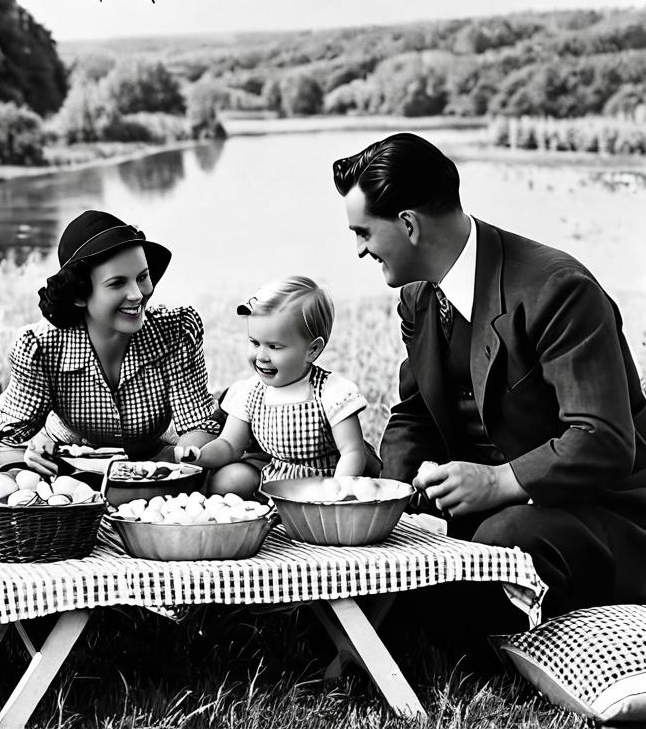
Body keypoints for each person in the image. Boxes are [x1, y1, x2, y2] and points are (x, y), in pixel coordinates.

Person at [332, 132, 646, 628]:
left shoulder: (558, 289)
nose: (358, 250)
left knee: (505, 538)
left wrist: (499, 480)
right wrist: (382, 506)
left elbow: (603, 439)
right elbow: (415, 413)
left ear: (409, 225)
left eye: (364, 232)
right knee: (388, 547)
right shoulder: (417, 293)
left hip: (594, 511)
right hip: (482, 510)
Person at [0, 210, 222, 476]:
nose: (137, 294)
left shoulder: (175, 333)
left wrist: (184, 461)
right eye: (117, 283)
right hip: (69, 462)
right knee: (6, 476)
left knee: (223, 476)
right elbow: (9, 439)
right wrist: (33, 449)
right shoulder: (41, 347)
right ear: (80, 294)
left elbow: (200, 425)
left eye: (142, 277)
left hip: (155, 459)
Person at [174, 276, 371, 497]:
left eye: (274, 347)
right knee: (226, 480)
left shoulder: (330, 391)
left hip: (322, 483)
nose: (261, 356)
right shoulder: (251, 391)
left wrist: (338, 493)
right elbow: (230, 444)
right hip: (275, 476)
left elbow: (352, 452)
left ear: (312, 350)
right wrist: (199, 455)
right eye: (255, 342)